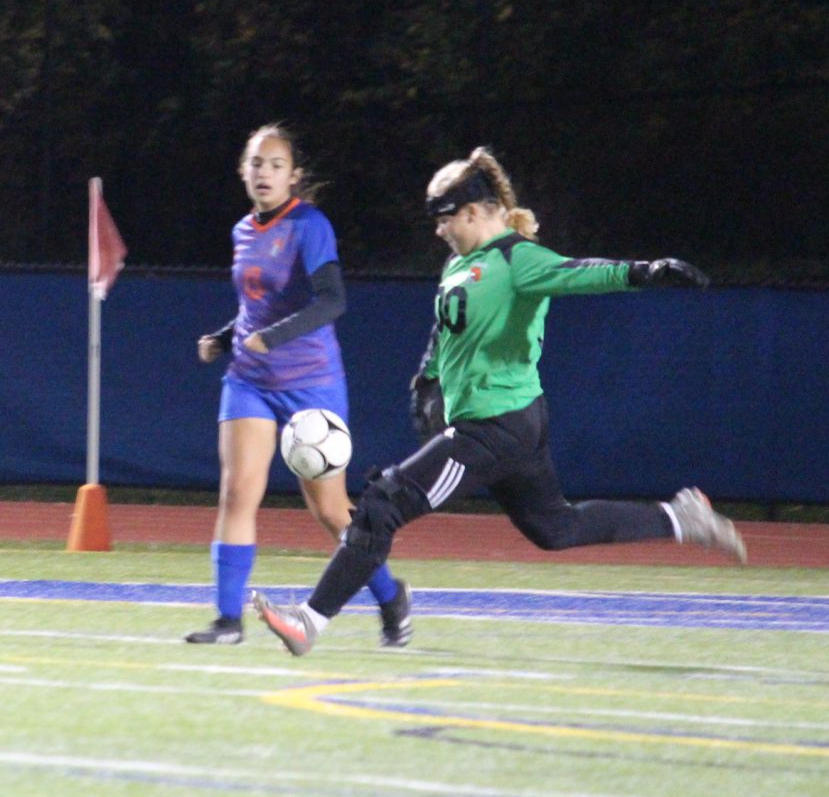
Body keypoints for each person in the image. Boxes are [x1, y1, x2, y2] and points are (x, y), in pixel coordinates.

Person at [251, 146, 747, 656]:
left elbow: (582, 273)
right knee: (555, 527)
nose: (438, 230)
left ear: (471, 211)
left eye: (444, 218)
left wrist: (646, 272)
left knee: (382, 503)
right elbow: (446, 332)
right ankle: (681, 517)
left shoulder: (517, 259)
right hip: (510, 423)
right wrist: (429, 378)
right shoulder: (459, 263)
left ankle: (309, 621)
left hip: (495, 426)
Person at [185, 122, 411, 646]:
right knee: (238, 491)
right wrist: (223, 339)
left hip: (311, 382)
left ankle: (389, 597)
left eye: (275, 164)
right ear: (243, 171)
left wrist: (275, 335)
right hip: (249, 379)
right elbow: (255, 309)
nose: (264, 172)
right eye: (256, 163)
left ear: (294, 176)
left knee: (331, 510)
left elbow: (332, 301)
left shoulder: (310, 224)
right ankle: (227, 621)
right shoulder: (244, 230)